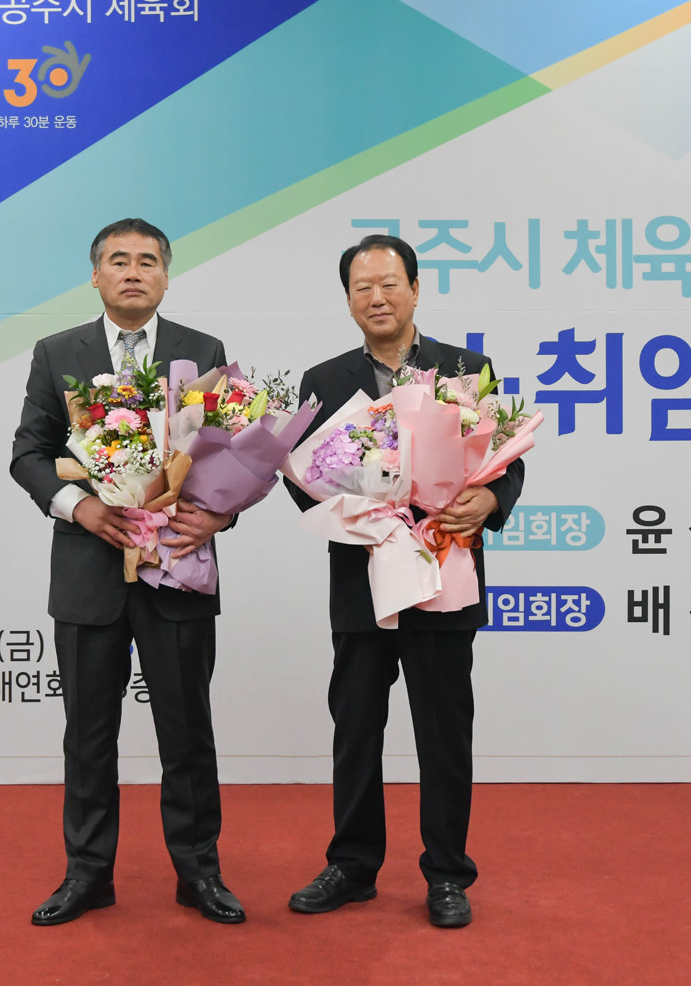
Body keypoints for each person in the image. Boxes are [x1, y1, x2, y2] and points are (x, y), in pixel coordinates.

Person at [284, 233, 525, 929]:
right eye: (362, 287)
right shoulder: (323, 380)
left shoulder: (466, 367)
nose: (377, 297)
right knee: (357, 725)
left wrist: (491, 499)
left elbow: (504, 457)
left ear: (416, 290)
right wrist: (363, 513)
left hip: (445, 571)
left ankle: (447, 873)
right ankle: (353, 865)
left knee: (444, 729)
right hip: (363, 579)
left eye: (390, 284)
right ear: (348, 300)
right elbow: (301, 480)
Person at [10, 218, 244, 926]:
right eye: (118, 260)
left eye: (147, 261)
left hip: (178, 568)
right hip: (89, 572)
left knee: (187, 730)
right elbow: (28, 454)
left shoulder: (202, 352)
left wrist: (218, 517)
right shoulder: (59, 353)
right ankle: (87, 875)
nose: (133, 271)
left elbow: (230, 457)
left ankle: (199, 873)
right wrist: (80, 507)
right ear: (96, 275)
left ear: (166, 276)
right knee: (87, 734)